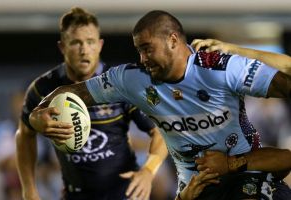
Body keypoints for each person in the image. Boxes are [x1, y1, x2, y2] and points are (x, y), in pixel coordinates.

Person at [29, 10, 291, 199]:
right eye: (138, 50)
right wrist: (37, 116)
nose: (142, 58)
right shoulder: (131, 79)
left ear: (173, 40)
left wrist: (243, 51)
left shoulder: (220, 67)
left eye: (147, 48)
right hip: (193, 190)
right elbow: (74, 91)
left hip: (246, 175)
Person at [15, 7, 168, 200]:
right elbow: (24, 135)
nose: (84, 50)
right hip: (75, 194)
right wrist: (29, 190)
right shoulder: (43, 88)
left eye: (90, 42)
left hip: (124, 192)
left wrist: (148, 171)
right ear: (62, 47)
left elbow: (160, 131)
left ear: (100, 45)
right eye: (76, 42)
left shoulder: (120, 84)